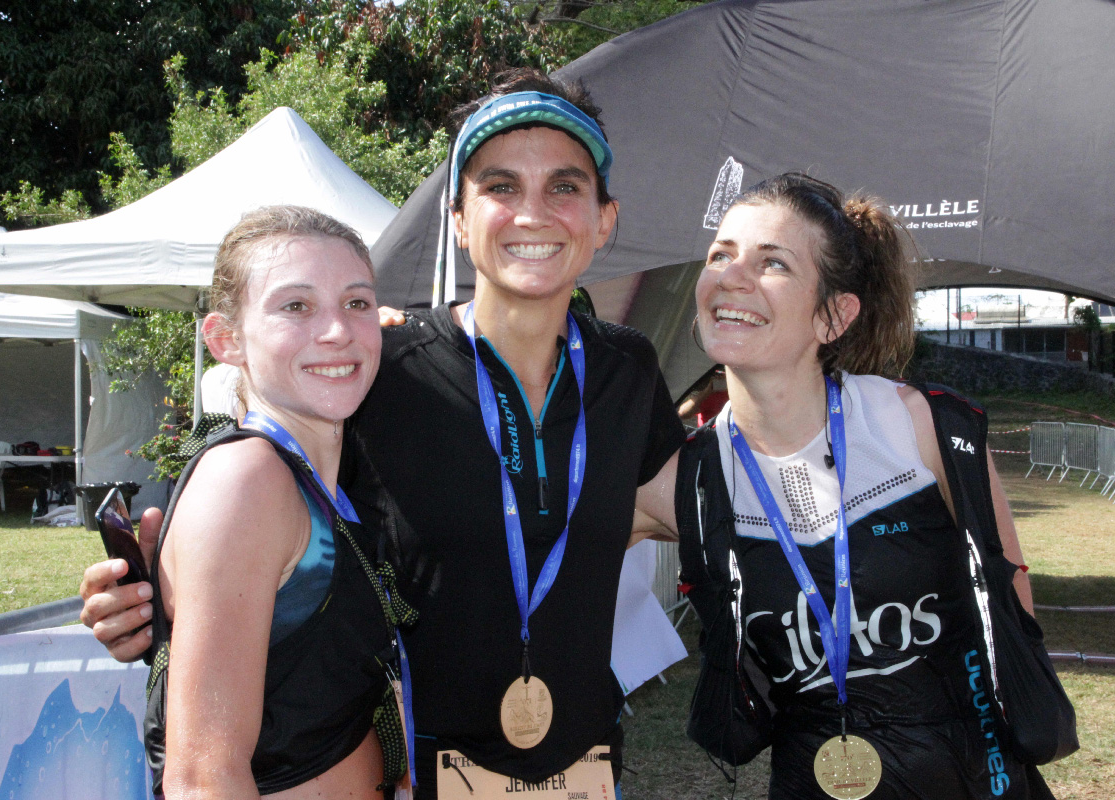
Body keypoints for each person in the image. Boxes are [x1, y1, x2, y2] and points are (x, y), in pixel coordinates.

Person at [81, 70, 685, 799]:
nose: (534, 213)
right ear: (458, 219)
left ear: (604, 219)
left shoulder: (625, 371)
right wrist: (154, 601)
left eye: (564, 187)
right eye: (500, 187)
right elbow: (258, 522)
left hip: (582, 771)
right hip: (426, 776)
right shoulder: (381, 369)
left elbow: (681, 508)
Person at [633, 172, 1049, 798]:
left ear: (834, 315)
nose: (731, 276)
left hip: (975, 780)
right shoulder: (684, 482)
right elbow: (526, 567)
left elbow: (1010, 599)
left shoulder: (922, 426)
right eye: (721, 254)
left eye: (772, 262)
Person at [123, 206, 415, 799]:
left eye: (357, 303)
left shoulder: (323, 478)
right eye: (296, 306)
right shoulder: (247, 479)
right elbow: (203, 779)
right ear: (226, 339)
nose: (336, 330)